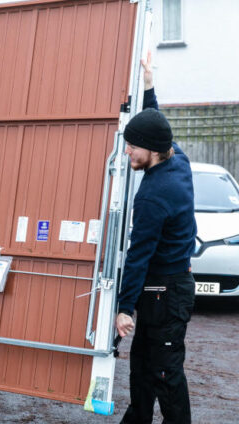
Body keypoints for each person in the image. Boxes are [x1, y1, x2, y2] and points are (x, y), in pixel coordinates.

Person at [116, 53, 196, 423]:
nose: (127, 150)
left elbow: (138, 255)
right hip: (164, 289)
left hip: (165, 292)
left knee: (165, 374)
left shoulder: (153, 196)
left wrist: (124, 307)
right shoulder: (176, 157)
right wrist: (149, 87)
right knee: (143, 368)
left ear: (149, 149)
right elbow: (157, 124)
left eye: (132, 146)